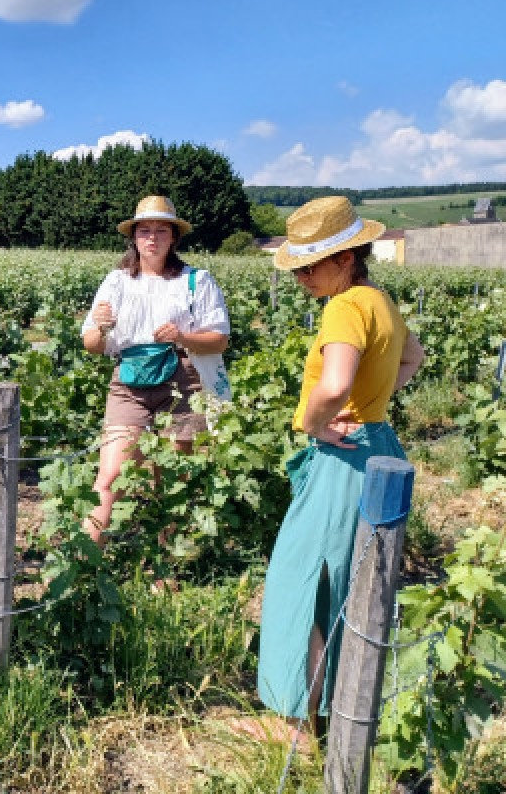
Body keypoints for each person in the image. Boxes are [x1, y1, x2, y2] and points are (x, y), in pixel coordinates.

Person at [251, 196, 425, 743]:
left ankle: (295, 726)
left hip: (343, 457)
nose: (302, 275)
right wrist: (374, 408)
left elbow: (334, 384)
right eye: (297, 265)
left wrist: (313, 421)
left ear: (346, 258)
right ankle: (339, 711)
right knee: (355, 579)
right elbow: (413, 360)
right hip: (378, 445)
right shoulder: (382, 300)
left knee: (305, 580)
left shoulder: (345, 306)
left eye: (310, 264)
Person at [80, 195, 231, 546]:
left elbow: (219, 340)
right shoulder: (116, 282)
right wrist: (100, 329)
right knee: (110, 475)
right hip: (129, 380)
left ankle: (168, 566)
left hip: (183, 381)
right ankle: (83, 563)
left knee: (174, 480)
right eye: (144, 230)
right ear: (133, 237)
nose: (152, 238)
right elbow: (91, 343)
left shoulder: (196, 281)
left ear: (173, 237)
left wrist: (183, 336)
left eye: (160, 231)